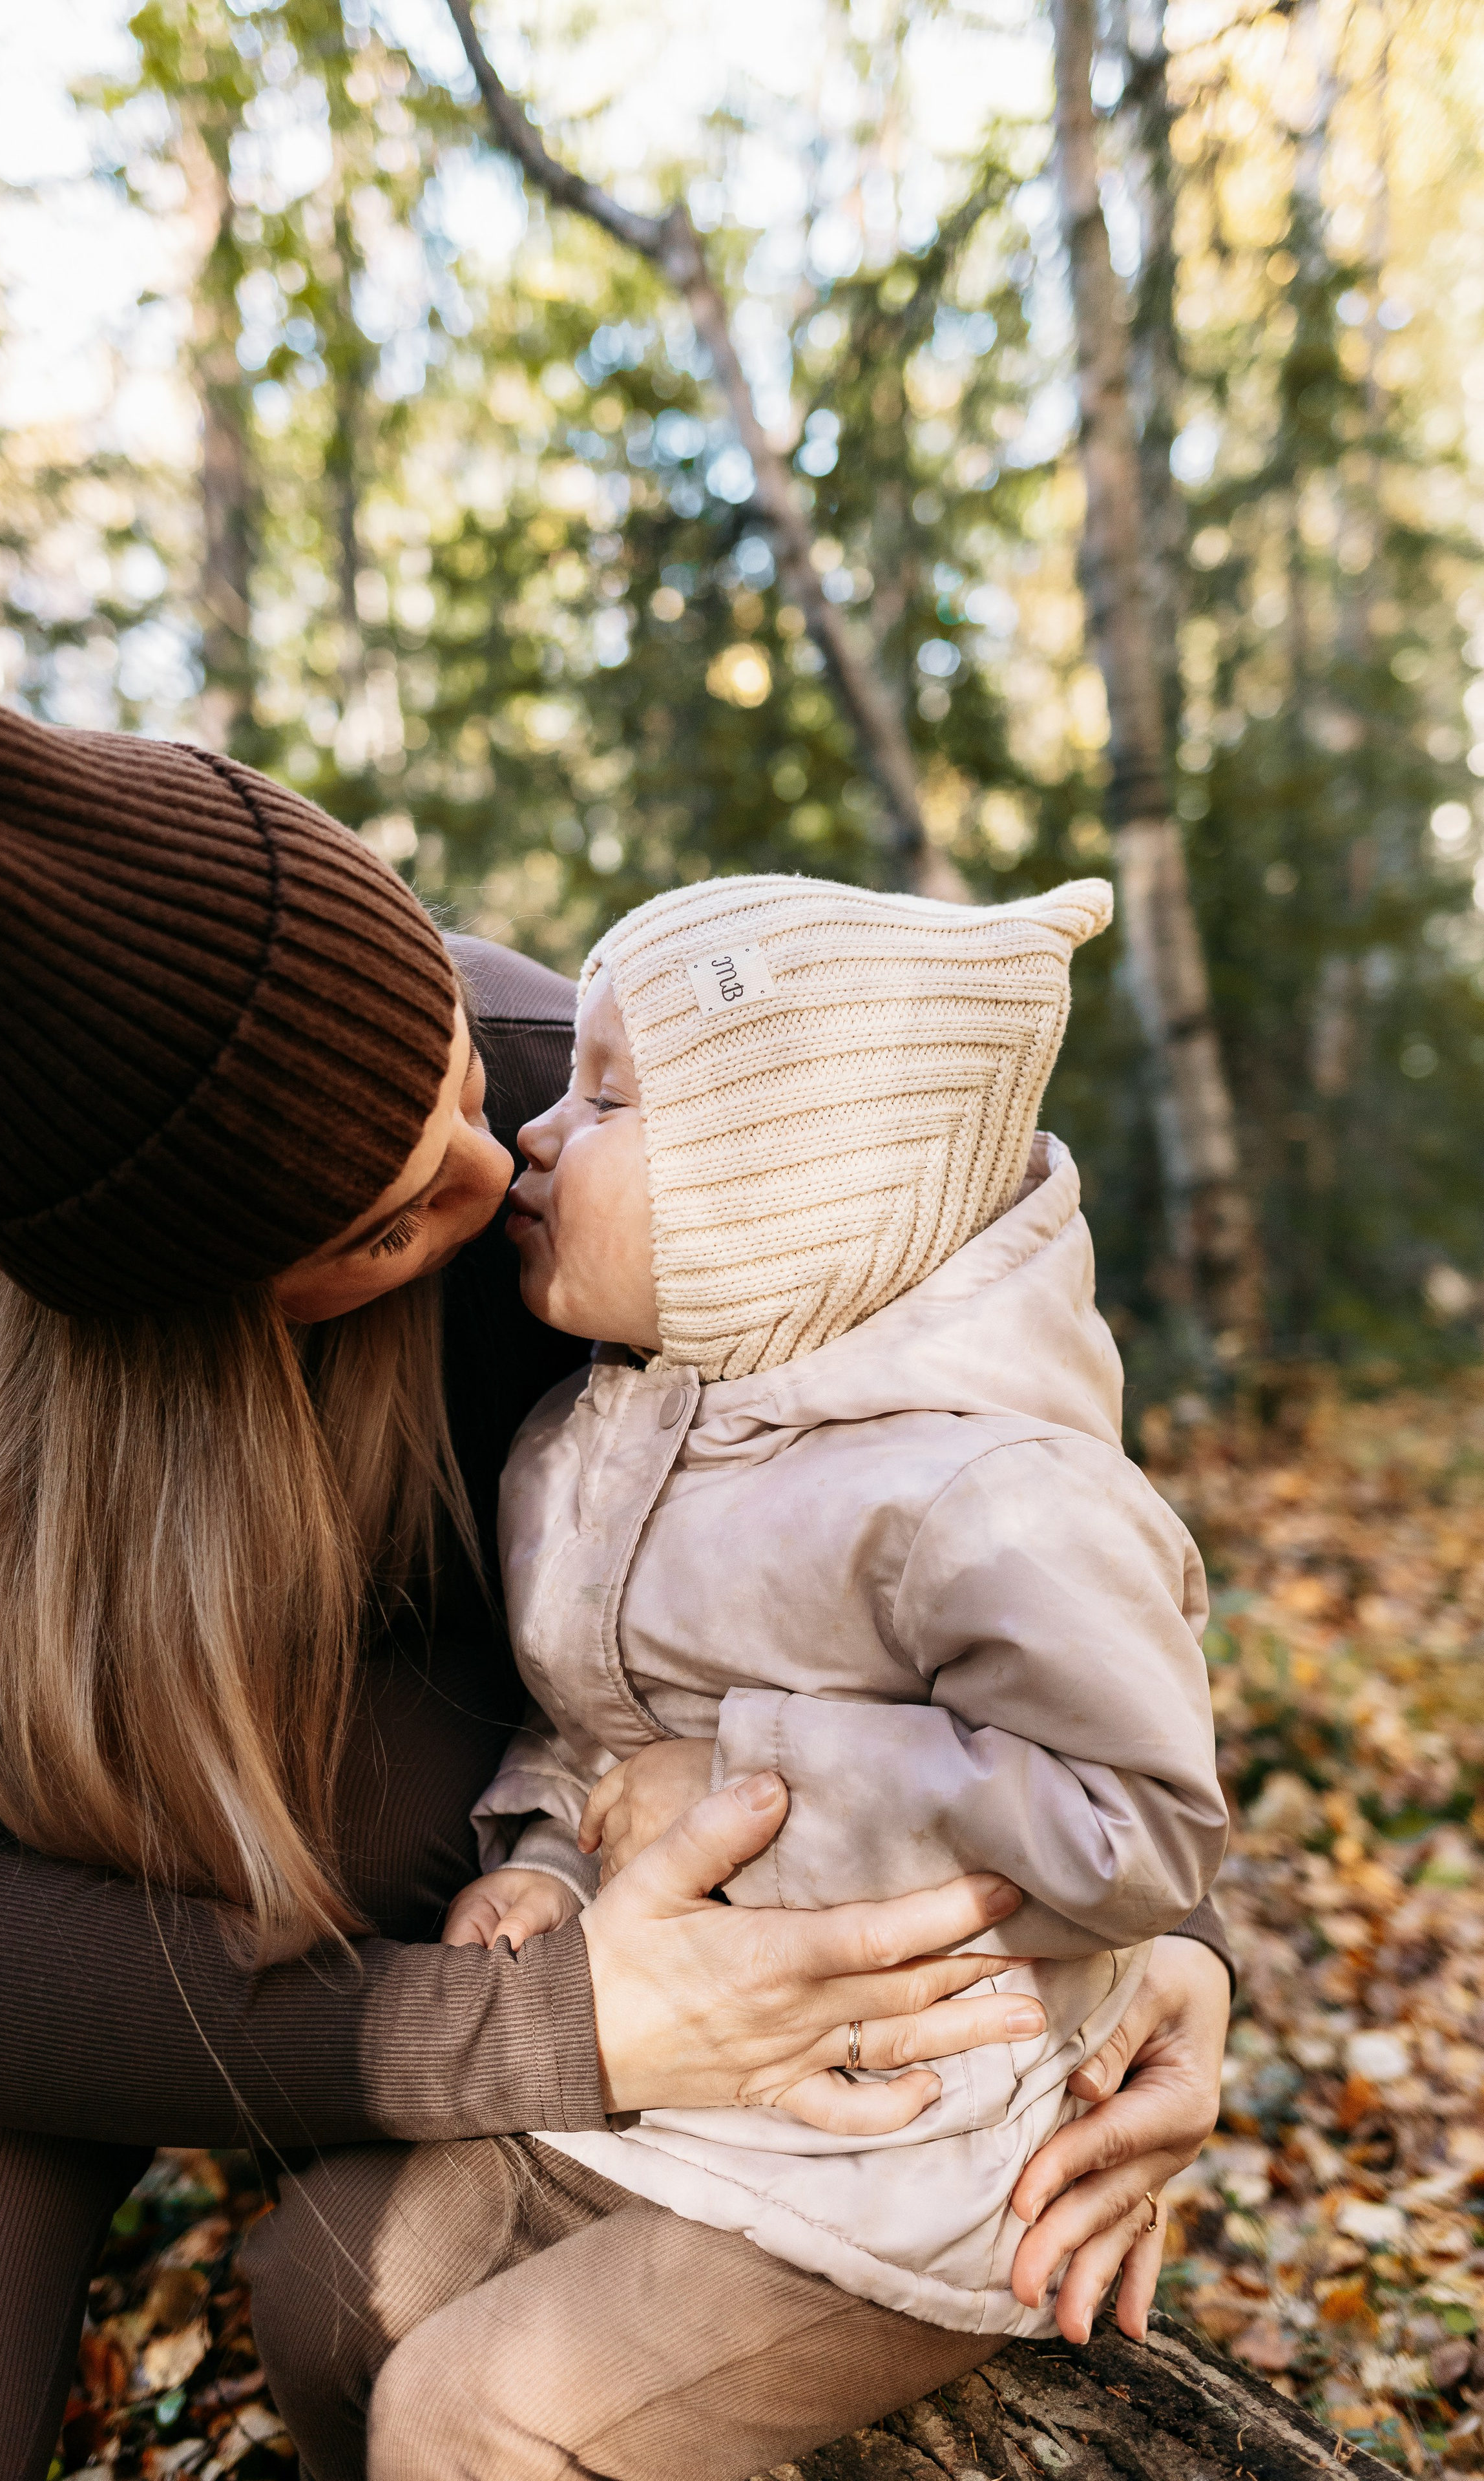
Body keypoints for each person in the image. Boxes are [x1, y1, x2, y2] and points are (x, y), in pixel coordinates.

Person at [0, 671, 1229, 2481]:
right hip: (120, 1925)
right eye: (379, 1219)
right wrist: (528, 2032)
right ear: (172, 1315)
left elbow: (970, 1402)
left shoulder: (568, 1082)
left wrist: (1168, 1943)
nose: (497, 1173)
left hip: (483, 1828)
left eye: (456, 1075)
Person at [242, 872, 1229, 2479]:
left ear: (787, 1188)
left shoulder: (987, 1499)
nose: (536, 1136)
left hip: (898, 2125)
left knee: (470, 2421)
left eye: (607, 1098)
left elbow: (1137, 1828)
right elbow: (593, 1722)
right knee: (318, 2285)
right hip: (660, 2064)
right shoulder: (594, 1440)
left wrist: (755, 1781)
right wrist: (549, 1859)